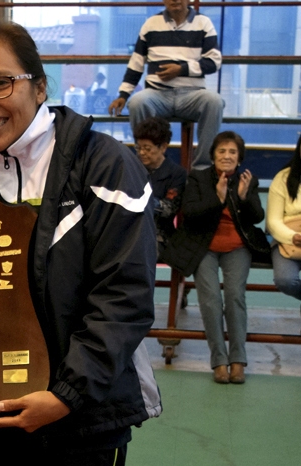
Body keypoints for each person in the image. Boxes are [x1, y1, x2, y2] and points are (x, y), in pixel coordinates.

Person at [0, 22, 161, 465]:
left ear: (40, 87)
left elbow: (124, 296)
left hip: (81, 424)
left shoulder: (105, 166)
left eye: (0, 83)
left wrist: (66, 395)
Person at [162, 131, 270, 384]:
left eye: (232, 152)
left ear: (239, 157)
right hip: (203, 246)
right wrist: (218, 198)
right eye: (222, 151)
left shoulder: (247, 179)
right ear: (213, 155)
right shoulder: (198, 178)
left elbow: (257, 216)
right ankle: (219, 361)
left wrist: (243, 197)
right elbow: (190, 213)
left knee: (234, 296)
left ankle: (238, 360)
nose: (227, 156)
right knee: (210, 300)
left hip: (237, 246)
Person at [108, 0, 224, 171]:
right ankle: (147, 164)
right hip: (157, 94)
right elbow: (136, 63)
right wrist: (123, 95)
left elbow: (214, 62)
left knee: (214, 102)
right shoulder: (151, 24)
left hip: (192, 95)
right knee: (138, 102)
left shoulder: (203, 23)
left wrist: (181, 69)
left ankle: (202, 169)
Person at [133, 116, 187, 259]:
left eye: (147, 148)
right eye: (138, 147)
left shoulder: (176, 173)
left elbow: (168, 209)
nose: (141, 153)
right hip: (131, 229)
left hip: (158, 235)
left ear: (163, 147)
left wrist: (136, 199)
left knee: (138, 255)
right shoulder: (132, 167)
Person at [266, 135, 301, 301]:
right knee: (285, 280)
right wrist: (292, 236)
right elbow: (273, 221)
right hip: (286, 239)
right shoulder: (283, 178)